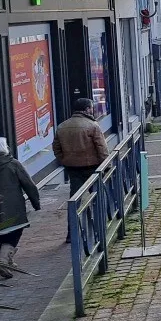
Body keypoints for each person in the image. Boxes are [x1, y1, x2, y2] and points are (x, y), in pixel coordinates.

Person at [0, 137, 41, 279]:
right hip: (13, 205)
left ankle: (7, 259)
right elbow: (29, 184)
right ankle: (3, 260)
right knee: (16, 231)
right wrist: (36, 202)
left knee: (0, 232)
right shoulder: (13, 164)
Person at [54, 98, 108, 241]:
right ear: (86, 109)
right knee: (97, 197)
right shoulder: (92, 126)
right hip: (92, 167)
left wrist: (65, 161)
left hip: (72, 168)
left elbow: (56, 148)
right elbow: (101, 148)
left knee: (74, 201)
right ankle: (101, 228)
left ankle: (71, 233)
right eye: (91, 108)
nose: (93, 110)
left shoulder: (62, 126)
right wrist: (106, 165)